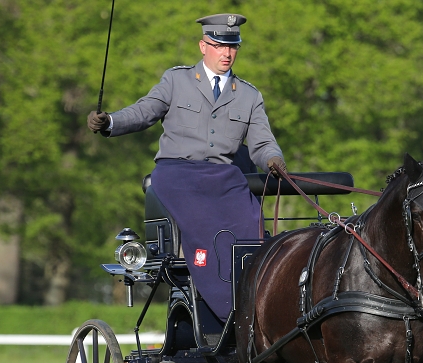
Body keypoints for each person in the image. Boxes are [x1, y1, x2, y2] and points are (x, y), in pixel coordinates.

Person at [87, 13, 286, 323]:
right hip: (177, 174)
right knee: (205, 224)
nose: (227, 54)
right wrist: (110, 122)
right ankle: (224, 308)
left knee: (250, 220)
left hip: (224, 177)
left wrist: (274, 159)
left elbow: (262, 143)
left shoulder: (248, 95)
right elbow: (145, 111)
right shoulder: (176, 80)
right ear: (203, 46)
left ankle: (255, 299)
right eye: (219, 46)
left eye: (233, 47)